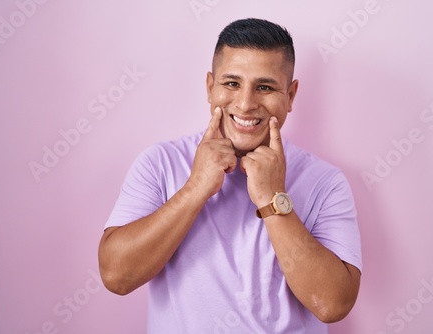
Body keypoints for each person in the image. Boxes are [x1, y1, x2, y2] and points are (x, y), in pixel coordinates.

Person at [98, 18, 362, 333]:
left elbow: (333, 305)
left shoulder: (325, 182)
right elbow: (116, 276)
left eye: (265, 87)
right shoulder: (159, 162)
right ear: (210, 88)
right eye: (232, 83)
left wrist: (272, 198)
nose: (246, 103)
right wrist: (195, 188)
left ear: (290, 96)